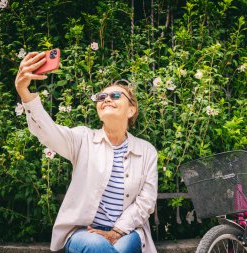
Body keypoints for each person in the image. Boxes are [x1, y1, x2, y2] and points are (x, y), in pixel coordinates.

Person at [15, 51, 158, 253]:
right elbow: (48, 131)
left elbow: (146, 201)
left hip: (126, 232)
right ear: (98, 109)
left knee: (120, 246)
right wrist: (25, 93)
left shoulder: (147, 152)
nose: (107, 98)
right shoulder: (82, 139)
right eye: (101, 96)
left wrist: (116, 232)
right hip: (83, 233)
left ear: (131, 110)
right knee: (97, 246)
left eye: (115, 95)